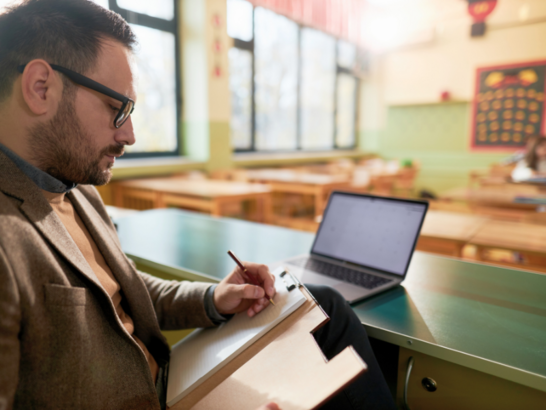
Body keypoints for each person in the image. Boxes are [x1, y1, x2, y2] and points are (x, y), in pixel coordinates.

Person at [0, 1, 396, 409]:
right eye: (117, 108)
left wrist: (215, 298)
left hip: (172, 375)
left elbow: (126, 290)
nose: (130, 135)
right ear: (40, 87)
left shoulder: (79, 190)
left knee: (323, 304)